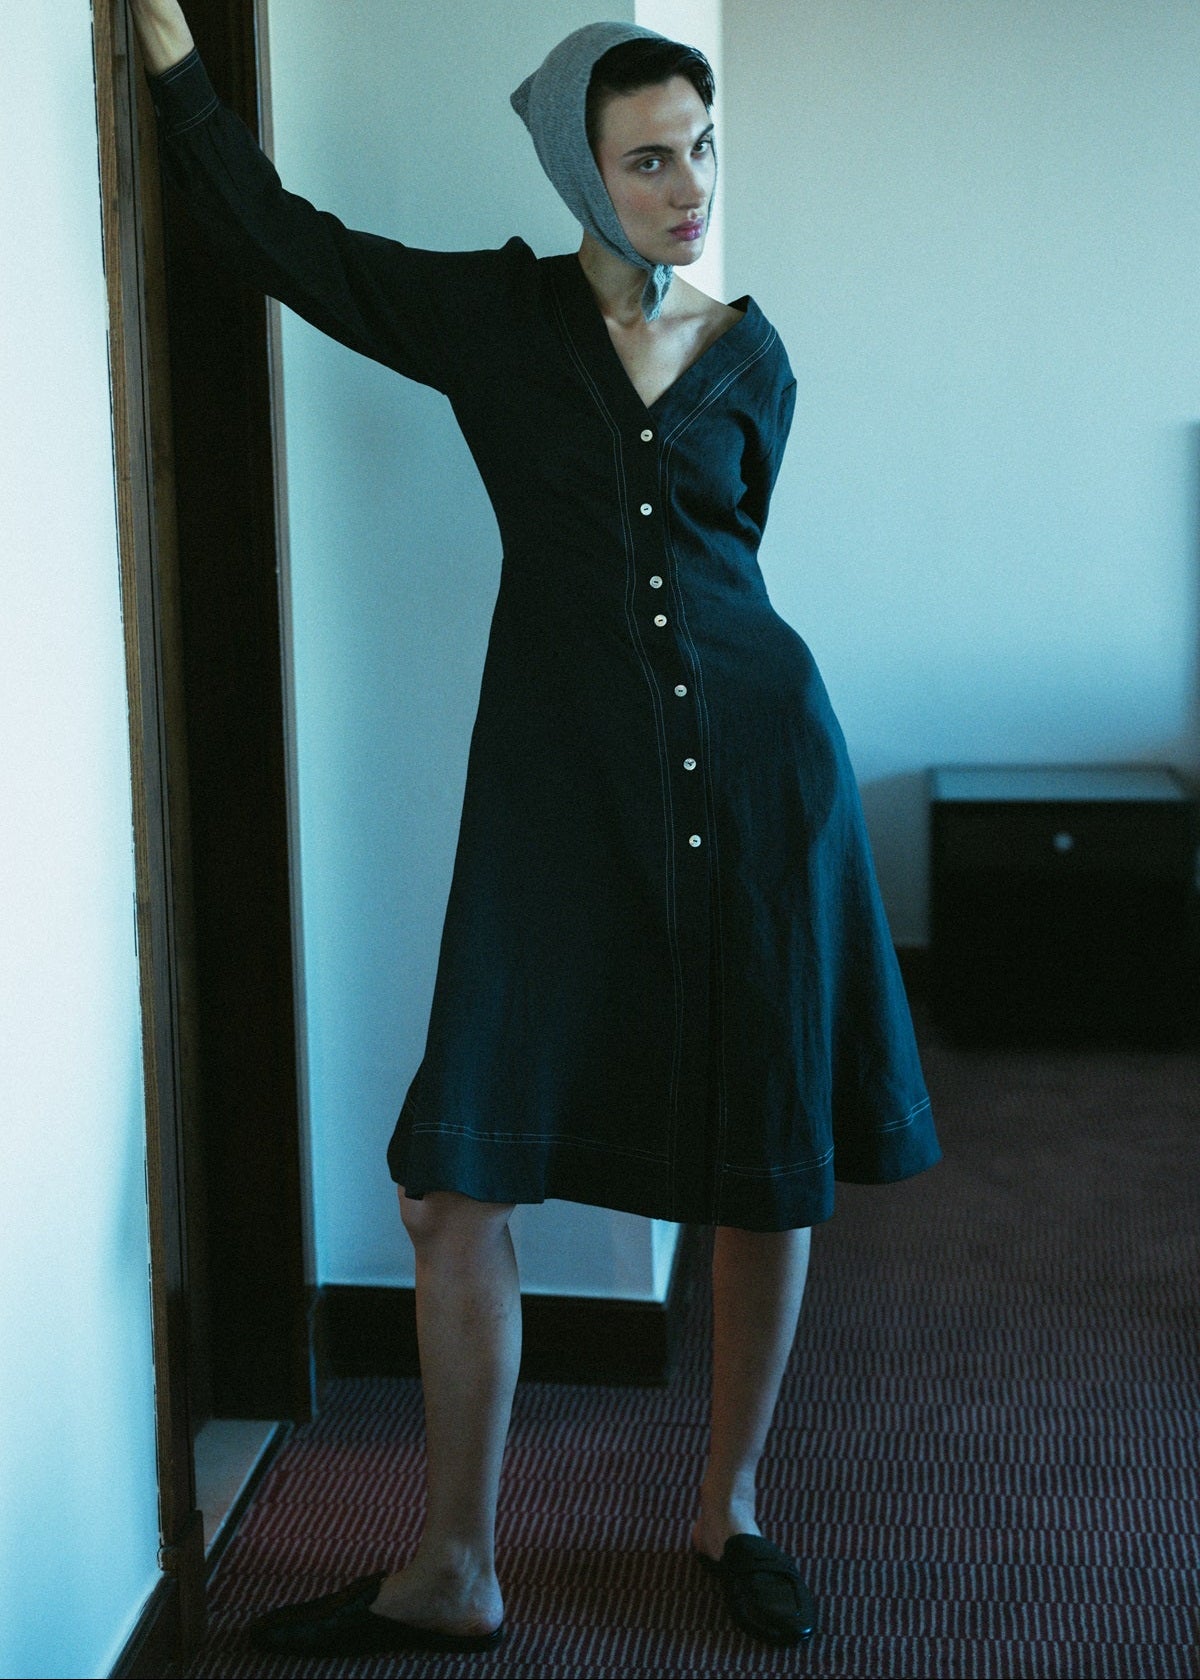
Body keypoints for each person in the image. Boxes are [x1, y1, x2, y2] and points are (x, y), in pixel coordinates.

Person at [130, 2, 941, 1657]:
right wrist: (169, 53)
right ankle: (452, 1563)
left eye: (700, 152)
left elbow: (735, 558)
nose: (686, 190)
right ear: (581, 169)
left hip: (764, 775)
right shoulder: (491, 319)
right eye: (647, 162)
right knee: (453, 1187)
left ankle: (731, 1509)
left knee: (760, 1168)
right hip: (555, 804)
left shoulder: (752, 351)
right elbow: (279, 241)